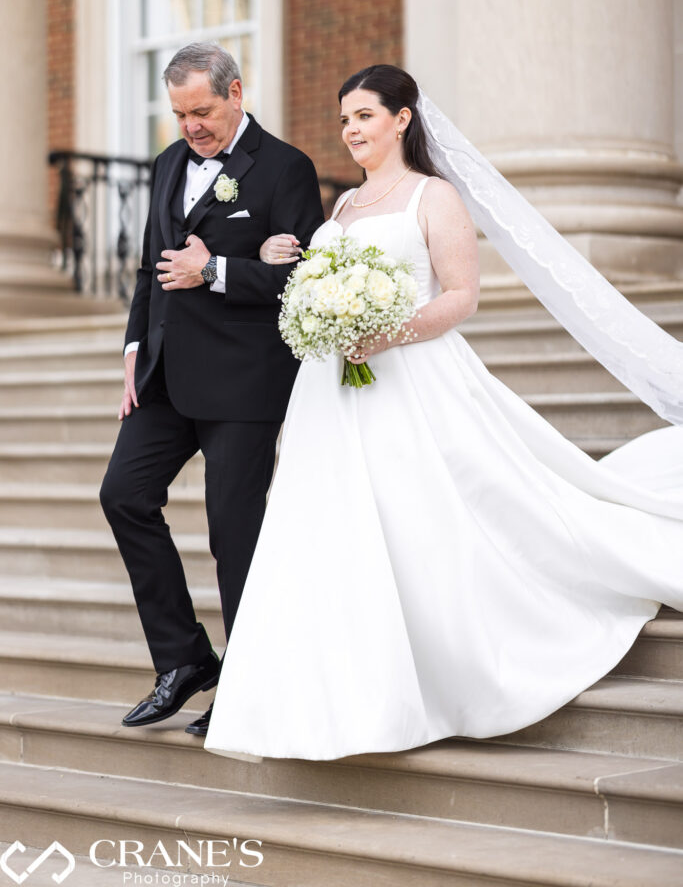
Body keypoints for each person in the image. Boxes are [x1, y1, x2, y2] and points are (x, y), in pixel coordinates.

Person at [203, 64, 683, 762]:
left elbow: (460, 296)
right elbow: (314, 279)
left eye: (363, 116)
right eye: (343, 121)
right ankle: (338, 698)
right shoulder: (341, 209)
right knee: (331, 530)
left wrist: (385, 332)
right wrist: (299, 279)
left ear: (401, 119)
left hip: (412, 379)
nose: (350, 131)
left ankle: (444, 674)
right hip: (331, 395)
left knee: (421, 523)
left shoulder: (434, 198)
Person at [99, 43, 323, 733]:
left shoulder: (286, 167)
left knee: (235, 533)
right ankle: (185, 658)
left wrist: (218, 269)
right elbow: (148, 270)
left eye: (201, 110)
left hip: (245, 381)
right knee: (124, 495)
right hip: (164, 374)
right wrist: (135, 349)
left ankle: (250, 680)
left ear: (234, 92)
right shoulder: (169, 162)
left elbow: (308, 280)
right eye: (179, 113)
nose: (190, 125)